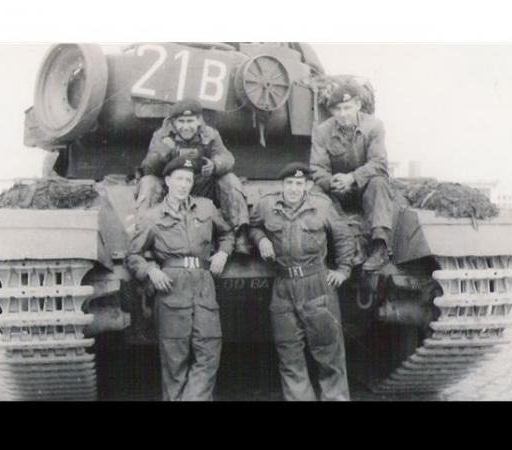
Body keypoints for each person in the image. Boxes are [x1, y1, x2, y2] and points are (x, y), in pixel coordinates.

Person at [127, 156, 235, 401]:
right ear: (167, 181)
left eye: (188, 180)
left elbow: (227, 234)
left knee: (209, 352)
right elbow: (133, 255)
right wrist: (151, 271)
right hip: (172, 287)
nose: (184, 184)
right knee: (174, 360)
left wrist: (223, 252)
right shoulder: (152, 217)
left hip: (204, 283)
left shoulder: (206, 207)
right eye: (179, 179)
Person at [248, 162, 354, 401]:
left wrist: (344, 270)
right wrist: (261, 239)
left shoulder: (322, 206)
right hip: (283, 284)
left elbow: (344, 237)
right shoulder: (267, 205)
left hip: (316, 282)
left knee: (328, 352)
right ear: (282, 185)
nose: (293, 188)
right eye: (289, 183)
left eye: (298, 184)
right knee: (289, 354)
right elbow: (253, 227)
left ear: (307, 185)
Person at [135, 98, 250, 253]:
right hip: (171, 191)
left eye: (190, 121)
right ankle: (143, 238)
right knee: (149, 183)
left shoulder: (210, 135)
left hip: (202, 187)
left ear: (198, 120)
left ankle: (239, 235)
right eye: (181, 121)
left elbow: (227, 158)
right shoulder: (161, 136)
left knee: (230, 180)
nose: (186, 126)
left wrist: (214, 165)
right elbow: (148, 168)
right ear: (173, 122)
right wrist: (162, 151)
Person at [310, 82, 393, 271]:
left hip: (364, 187)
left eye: (347, 107)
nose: (343, 113)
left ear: (358, 105)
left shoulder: (374, 126)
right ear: (331, 111)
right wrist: (332, 181)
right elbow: (317, 168)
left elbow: (379, 162)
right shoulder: (322, 131)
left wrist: (352, 178)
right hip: (336, 189)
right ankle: (321, 246)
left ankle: (380, 246)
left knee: (379, 182)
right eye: (337, 109)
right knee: (315, 193)